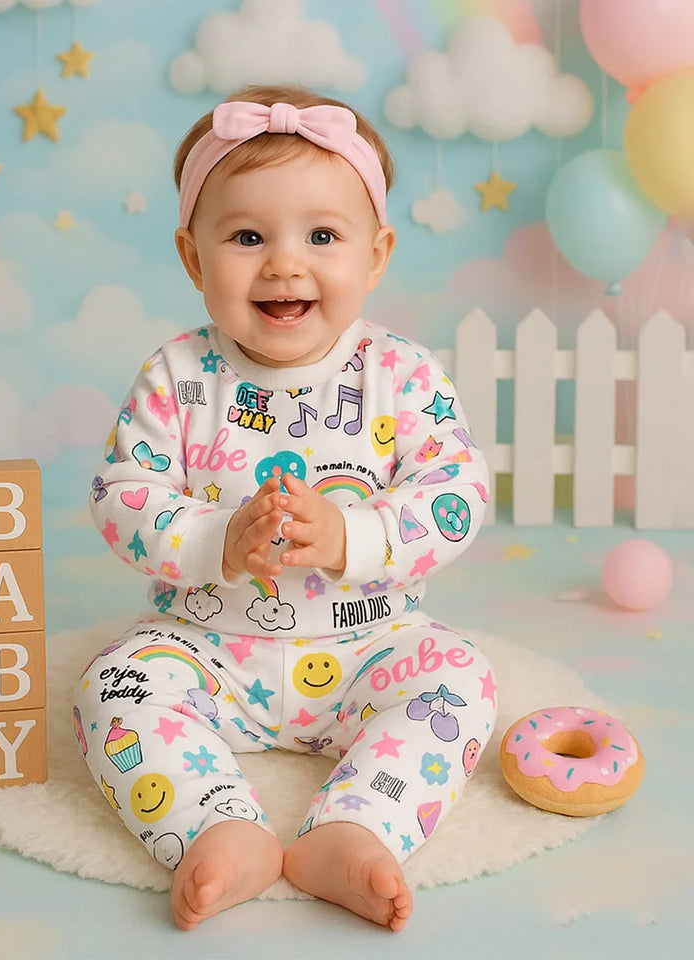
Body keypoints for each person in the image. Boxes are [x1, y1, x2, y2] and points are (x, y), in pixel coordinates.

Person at [75, 83, 496, 933]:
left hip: (369, 645)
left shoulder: (402, 373)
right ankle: (215, 826)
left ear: (375, 256)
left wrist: (353, 533)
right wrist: (216, 541)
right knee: (111, 689)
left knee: (461, 681)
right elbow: (122, 495)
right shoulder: (178, 375)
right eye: (247, 237)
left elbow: (457, 491)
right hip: (206, 646)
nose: (283, 264)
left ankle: (357, 828)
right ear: (193, 258)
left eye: (322, 236)